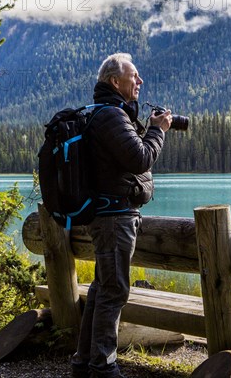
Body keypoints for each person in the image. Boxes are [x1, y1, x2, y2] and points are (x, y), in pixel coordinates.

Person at [72, 53, 172, 378]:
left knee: (102, 288)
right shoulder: (111, 116)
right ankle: (103, 367)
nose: (140, 82)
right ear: (116, 82)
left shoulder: (101, 114)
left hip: (106, 215)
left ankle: (84, 363)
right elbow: (140, 158)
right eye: (134, 76)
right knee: (113, 291)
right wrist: (158, 130)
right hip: (115, 217)